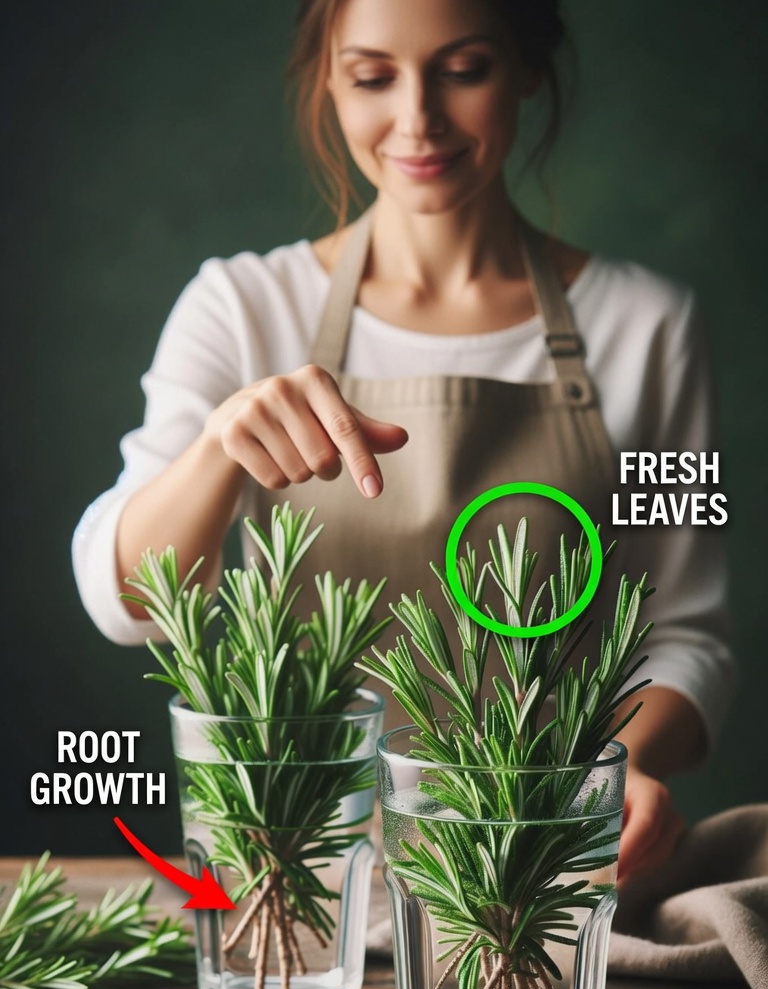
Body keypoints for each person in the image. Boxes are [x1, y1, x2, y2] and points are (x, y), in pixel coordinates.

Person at [72, 0, 736, 884]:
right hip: (304, 891)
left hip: (536, 892)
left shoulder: (651, 326)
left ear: (529, 67)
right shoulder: (239, 307)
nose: (417, 117)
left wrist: (623, 770)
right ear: (329, 87)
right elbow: (124, 598)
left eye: (464, 69)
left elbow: (690, 632)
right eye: (373, 77)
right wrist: (216, 449)